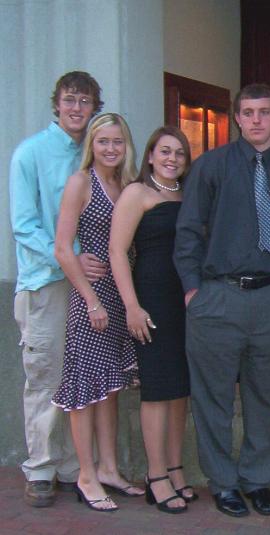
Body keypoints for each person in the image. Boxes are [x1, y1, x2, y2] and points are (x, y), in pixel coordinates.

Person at [174, 83, 270, 518]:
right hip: (218, 297)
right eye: (248, 113)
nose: (256, 120)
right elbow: (188, 231)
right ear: (237, 118)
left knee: (268, 395)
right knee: (213, 398)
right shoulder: (210, 166)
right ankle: (223, 482)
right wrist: (193, 291)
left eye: (264, 112)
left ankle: (256, 479)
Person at [9, 71, 104, 508]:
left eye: (85, 101)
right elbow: (24, 226)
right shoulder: (30, 153)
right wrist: (69, 258)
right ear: (57, 104)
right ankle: (42, 468)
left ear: (95, 108)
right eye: (70, 99)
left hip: (91, 283)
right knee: (46, 372)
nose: (76, 108)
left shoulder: (93, 154)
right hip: (46, 282)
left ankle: (72, 466)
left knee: (78, 372)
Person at [52, 112, 143, 512]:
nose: (110, 148)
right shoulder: (81, 182)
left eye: (117, 141)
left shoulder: (126, 184)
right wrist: (90, 299)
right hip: (92, 300)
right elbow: (62, 248)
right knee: (85, 388)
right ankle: (86, 475)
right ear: (92, 144)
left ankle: (108, 468)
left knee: (110, 387)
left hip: (121, 297)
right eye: (103, 141)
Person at [108, 126, 194, 514]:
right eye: (165, 151)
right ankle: (155, 476)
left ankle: (175, 469)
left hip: (185, 303)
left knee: (179, 389)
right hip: (152, 301)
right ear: (150, 156)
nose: (172, 158)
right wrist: (132, 306)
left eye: (179, 153)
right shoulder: (137, 193)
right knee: (158, 389)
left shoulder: (188, 195)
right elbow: (116, 251)